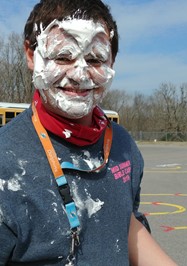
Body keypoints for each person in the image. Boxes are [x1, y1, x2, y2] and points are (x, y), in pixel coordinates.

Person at [0, 0, 177, 265]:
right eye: (62, 57)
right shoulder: (6, 161)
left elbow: (123, 222)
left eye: (95, 59)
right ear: (30, 55)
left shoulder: (122, 145)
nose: (80, 74)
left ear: (112, 61)